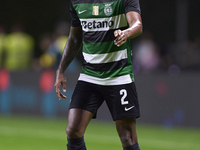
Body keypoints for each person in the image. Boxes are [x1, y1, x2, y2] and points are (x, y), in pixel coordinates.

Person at [54, 0, 143, 150]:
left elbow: (137, 24)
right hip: (89, 75)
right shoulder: (77, 2)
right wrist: (61, 70)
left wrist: (126, 32)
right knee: (73, 130)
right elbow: (75, 38)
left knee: (128, 138)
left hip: (118, 75)